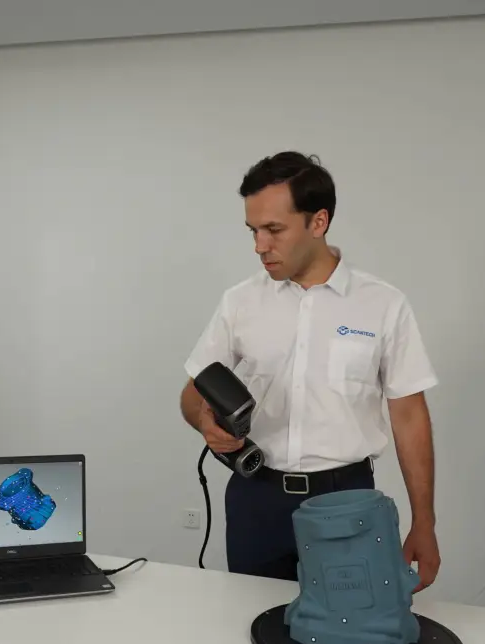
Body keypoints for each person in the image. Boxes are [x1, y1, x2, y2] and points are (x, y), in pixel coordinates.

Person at [180, 150, 440, 598]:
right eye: (253, 231)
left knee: (348, 628)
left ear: (318, 222)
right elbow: (192, 392)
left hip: (347, 502)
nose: (259, 245)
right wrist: (204, 422)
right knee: (250, 622)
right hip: (255, 500)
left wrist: (425, 521)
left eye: (274, 230)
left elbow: (409, 416)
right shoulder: (240, 302)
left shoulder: (383, 305)